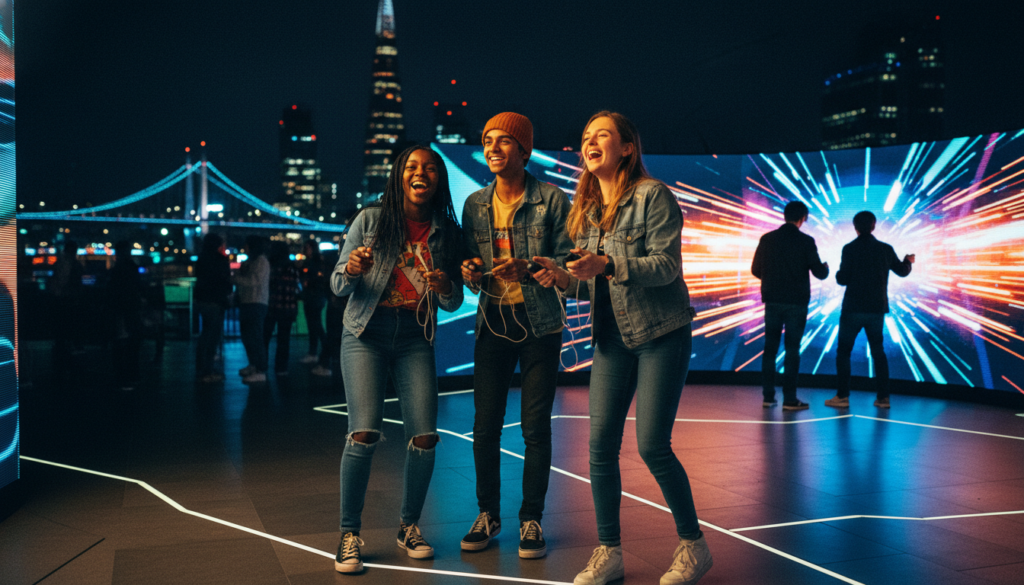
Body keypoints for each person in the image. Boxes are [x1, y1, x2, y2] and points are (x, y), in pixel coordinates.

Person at [534, 112, 712, 585]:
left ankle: (694, 545)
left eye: (602, 136)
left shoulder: (653, 195)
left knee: (652, 446)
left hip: (661, 332)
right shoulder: (587, 210)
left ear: (627, 148)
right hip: (611, 339)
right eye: (586, 137)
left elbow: (664, 268)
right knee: (599, 449)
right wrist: (562, 278)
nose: (589, 143)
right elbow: (588, 283)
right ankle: (609, 552)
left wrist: (608, 262)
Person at [330, 145, 464, 573]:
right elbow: (336, 285)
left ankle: (408, 526)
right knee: (364, 432)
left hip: (414, 338)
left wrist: (444, 283)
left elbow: (452, 299)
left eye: (429, 168)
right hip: (365, 333)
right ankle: (349, 534)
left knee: (425, 437)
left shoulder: (447, 232)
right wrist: (352, 268)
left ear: (438, 180)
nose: (420, 172)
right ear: (399, 176)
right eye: (412, 166)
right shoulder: (370, 220)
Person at [458, 112, 573, 559]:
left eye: (504, 141)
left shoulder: (550, 199)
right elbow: (470, 266)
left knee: (534, 429)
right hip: (492, 322)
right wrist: (469, 272)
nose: (492, 148)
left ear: (524, 151)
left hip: (540, 324)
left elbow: (566, 262)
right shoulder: (474, 204)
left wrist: (531, 268)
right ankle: (488, 514)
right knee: (483, 428)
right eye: (487, 140)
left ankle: (531, 520)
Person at [827, 211, 914, 409]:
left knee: (844, 352)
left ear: (855, 227)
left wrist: (838, 273)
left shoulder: (849, 248)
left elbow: (842, 279)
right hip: (876, 310)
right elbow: (902, 271)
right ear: (874, 226)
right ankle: (883, 398)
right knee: (878, 352)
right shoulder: (885, 249)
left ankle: (842, 397)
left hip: (852, 309)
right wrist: (908, 261)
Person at [751, 200, 829, 410]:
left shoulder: (767, 239)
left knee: (770, 349)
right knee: (792, 349)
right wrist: (825, 268)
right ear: (803, 218)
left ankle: (768, 397)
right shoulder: (806, 241)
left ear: (785, 216)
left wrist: (771, 280)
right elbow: (819, 273)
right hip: (796, 303)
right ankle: (790, 399)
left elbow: (755, 269)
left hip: (773, 301)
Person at [194, 233, 232, 383]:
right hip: (216, 301)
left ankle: (201, 367)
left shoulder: (201, 258)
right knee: (213, 337)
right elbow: (225, 281)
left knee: (205, 335)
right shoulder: (221, 260)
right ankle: (207, 371)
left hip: (202, 300)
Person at [235, 235, 270, 384]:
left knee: (255, 337)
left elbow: (254, 281)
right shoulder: (251, 261)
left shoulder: (261, 261)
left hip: (256, 302)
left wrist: (234, 278)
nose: (245, 247)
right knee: (247, 336)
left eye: (247, 244)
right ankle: (253, 365)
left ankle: (260, 370)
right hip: (248, 302)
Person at [108, 240, 143, 391]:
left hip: (121, 308)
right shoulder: (131, 267)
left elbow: (113, 289)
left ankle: (124, 377)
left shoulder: (118, 269)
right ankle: (132, 376)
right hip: (131, 307)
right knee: (132, 343)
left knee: (122, 342)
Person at [262, 241, 301, 376]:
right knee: (284, 340)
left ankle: (262, 367)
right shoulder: (292, 267)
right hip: (289, 307)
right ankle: (281, 368)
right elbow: (297, 287)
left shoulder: (270, 266)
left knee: (265, 338)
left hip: (272, 307)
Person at [300, 240, 328, 366]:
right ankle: (317, 352)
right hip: (314, 297)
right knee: (315, 325)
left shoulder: (313, 262)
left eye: (306, 247)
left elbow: (317, 279)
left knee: (315, 325)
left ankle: (319, 352)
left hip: (314, 296)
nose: (304, 250)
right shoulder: (317, 261)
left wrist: (308, 282)